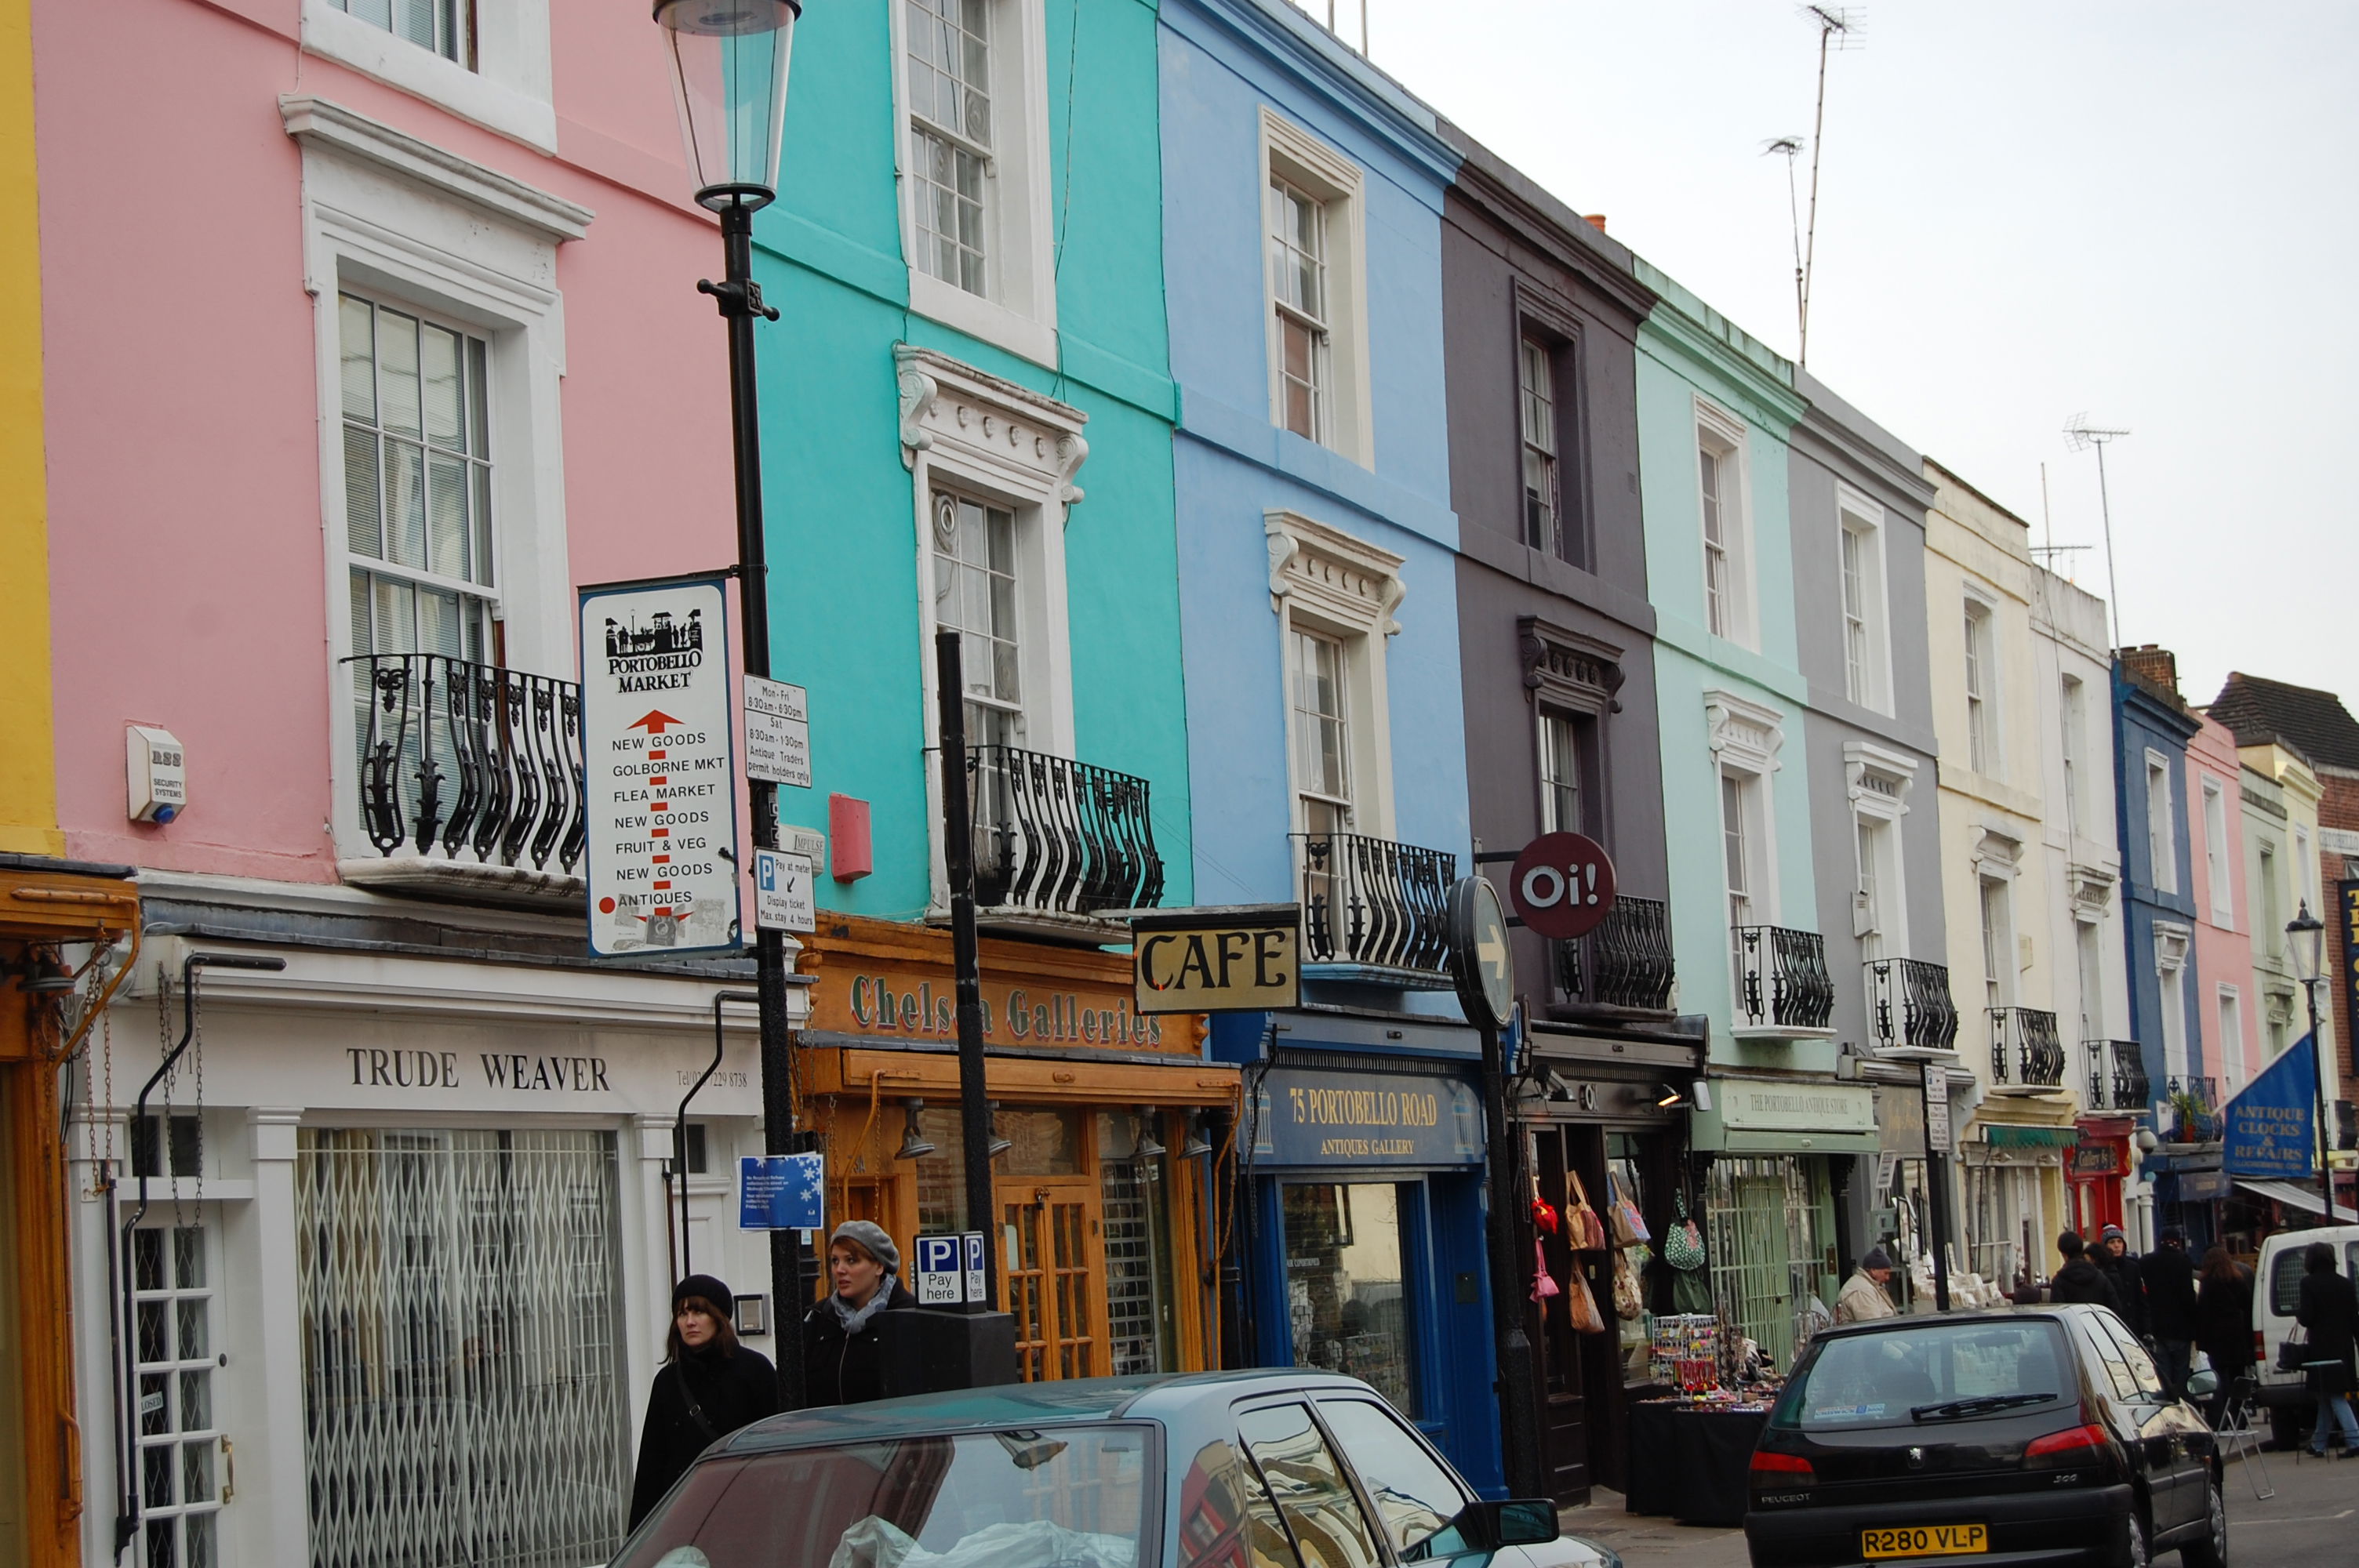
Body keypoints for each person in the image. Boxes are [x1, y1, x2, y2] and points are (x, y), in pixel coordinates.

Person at [628, 1275, 780, 1529]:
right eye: (681, 1314)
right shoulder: (668, 1381)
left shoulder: (755, 1371)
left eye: (699, 1312)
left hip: (745, 1510)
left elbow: (775, 1450)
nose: (689, 1322)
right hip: (683, 1513)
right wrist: (638, 1537)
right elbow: (651, 1465)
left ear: (719, 1317)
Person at [804, 1220, 918, 1406]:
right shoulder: (819, 1318)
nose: (839, 1270)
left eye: (851, 1260)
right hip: (828, 1432)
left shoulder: (909, 1317)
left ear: (879, 1266)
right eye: (835, 1260)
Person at [2294, 1240, 2359, 1457]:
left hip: (2321, 1349)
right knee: (2326, 1397)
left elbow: (2307, 1317)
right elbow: (2354, 1319)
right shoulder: (2346, 1284)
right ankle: (2318, 1443)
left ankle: (2355, 1439)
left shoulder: (2308, 1284)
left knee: (2336, 1397)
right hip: (2344, 1348)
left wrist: (2300, 1315)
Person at [2193, 1244, 2255, 1430]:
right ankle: (2240, 1418)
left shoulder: (2208, 1284)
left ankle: (2220, 1419)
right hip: (2236, 1336)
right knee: (2238, 1378)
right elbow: (2247, 1305)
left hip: (2216, 1339)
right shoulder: (2238, 1280)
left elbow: (2202, 1313)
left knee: (2219, 1380)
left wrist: (2201, 1342)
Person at [2139, 1227, 2199, 1397]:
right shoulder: (2184, 1262)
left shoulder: (2147, 1262)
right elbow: (2188, 1297)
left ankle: (2167, 1403)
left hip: (2159, 1327)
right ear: (2178, 1242)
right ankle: (2182, 1403)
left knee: (2163, 1372)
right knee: (2181, 1373)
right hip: (2181, 1329)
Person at [2095, 1225, 2146, 1336]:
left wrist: (2147, 1330)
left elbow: (2141, 1299)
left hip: (2133, 1328)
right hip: (2111, 1327)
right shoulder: (2100, 1270)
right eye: (2112, 1242)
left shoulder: (2133, 1268)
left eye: (2119, 1241)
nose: (2116, 1245)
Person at [2049, 1232, 2121, 1311]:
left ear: (2064, 1254)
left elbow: (2057, 1311)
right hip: (2097, 1321)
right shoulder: (2100, 1277)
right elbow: (2115, 1308)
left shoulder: (2059, 1281)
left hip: (2072, 1322)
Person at [1835, 1246, 1899, 1323]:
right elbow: (1873, 1326)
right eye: (1885, 1273)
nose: (1887, 1278)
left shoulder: (1867, 1286)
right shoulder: (1863, 1291)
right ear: (1873, 1270)